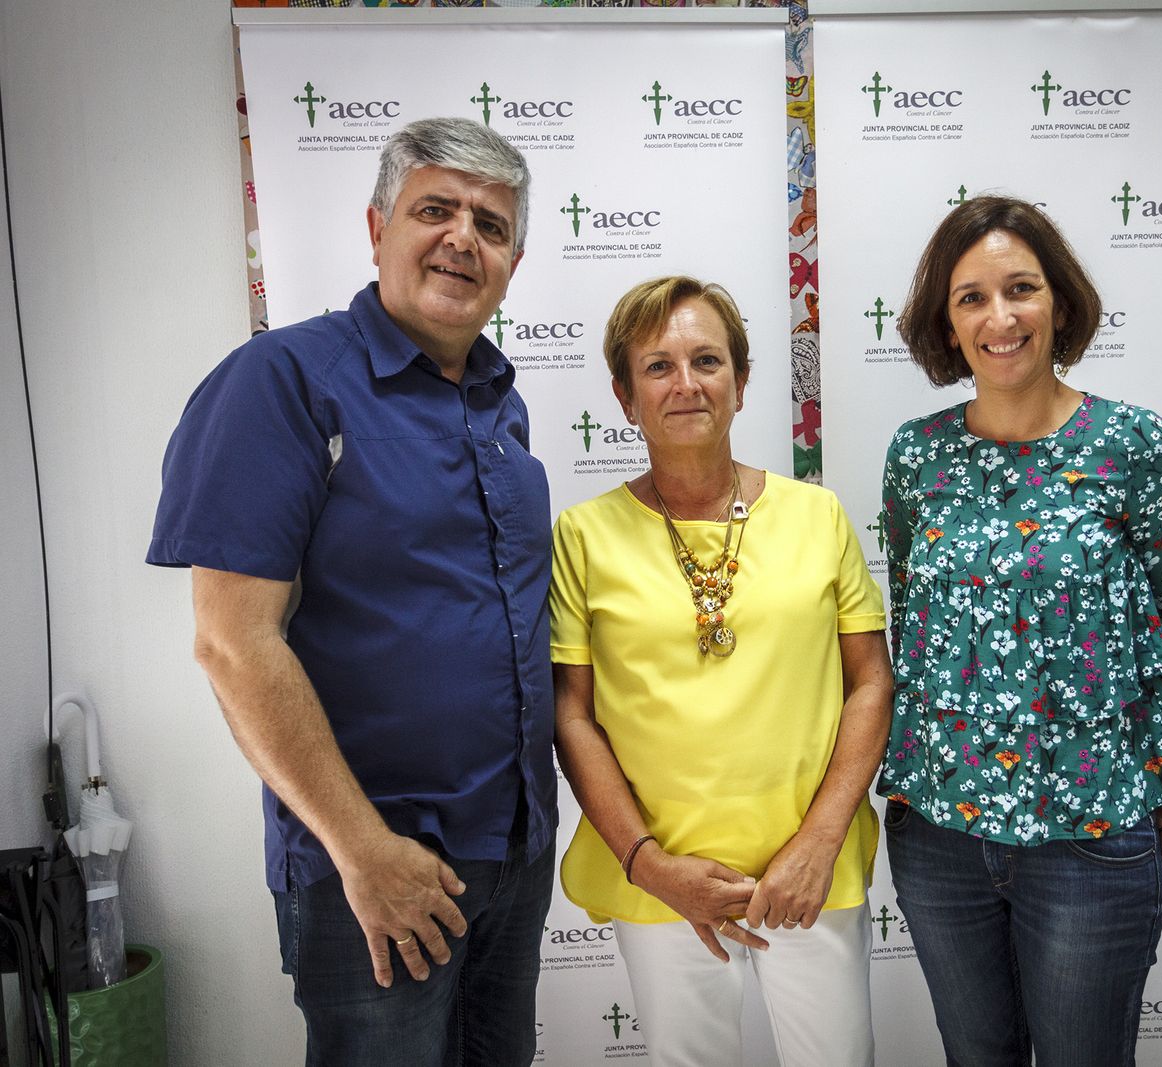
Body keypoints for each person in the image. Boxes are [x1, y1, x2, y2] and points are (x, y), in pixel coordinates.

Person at [147, 117, 555, 1067]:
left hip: (514, 850)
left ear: (514, 262)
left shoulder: (500, 400)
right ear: (377, 229)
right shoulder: (283, 382)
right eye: (435, 210)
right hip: (371, 863)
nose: (464, 238)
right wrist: (364, 850)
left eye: (491, 226)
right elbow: (233, 643)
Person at [877, 195, 1162, 1067]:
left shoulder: (1133, 445)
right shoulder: (917, 455)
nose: (999, 317)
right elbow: (912, 623)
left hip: (1091, 833)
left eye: (1020, 289)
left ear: (1059, 304)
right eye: (970, 298)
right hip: (940, 834)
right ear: (946, 323)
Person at [550, 276, 892, 1067]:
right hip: (661, 877)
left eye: (707, 360)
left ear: (741, 382)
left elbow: (871, 681)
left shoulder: (818, 515)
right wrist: (650, 865)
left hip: (810, 871)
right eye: (658, 366)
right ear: (625, 396)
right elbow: (574, 714)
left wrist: (818, 841)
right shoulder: (583, 535)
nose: (686, 383)